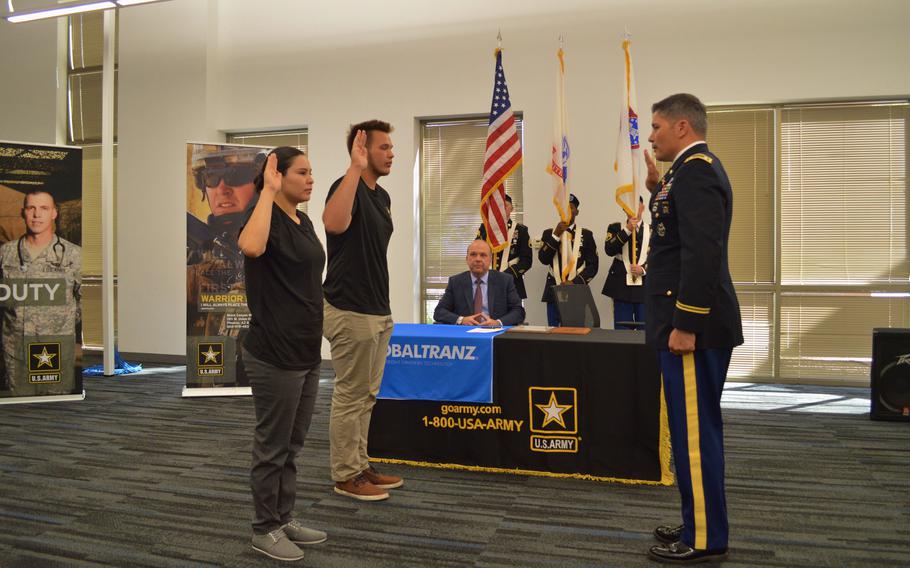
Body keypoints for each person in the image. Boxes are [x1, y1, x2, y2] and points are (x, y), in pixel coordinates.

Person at [643, 93, 743, 565]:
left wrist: (685, 324)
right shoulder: (685, 172)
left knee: (695, 435)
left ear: (682, 127)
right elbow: (674, 230)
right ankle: (696, 519)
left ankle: (705, 537)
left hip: (691, 329)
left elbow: (701, 254)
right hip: (684, 325)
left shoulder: (698, 170)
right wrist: (654, 188)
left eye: (657, 127)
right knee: (688, 432)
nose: (651, 136)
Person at [238, 147, 328, 561]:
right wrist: (267, 194)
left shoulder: (303, 220)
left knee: (292, 444)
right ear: (279, 176)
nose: (311, 179)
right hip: (274, 351)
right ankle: (264, 528)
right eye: (303, 172)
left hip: (306, 351)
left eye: (312, 172)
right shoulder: (265, 218)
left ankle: (282, 515)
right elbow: (251, 248)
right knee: (272, 445)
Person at [322, 120, 402, 501]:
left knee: (368, 394)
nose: (391, 153)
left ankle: (360, 464)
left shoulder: (381, 197)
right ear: (362, 149)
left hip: (377, 308)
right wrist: (353, 169)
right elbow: (333, 224)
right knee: (350, 394)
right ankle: (344, 475)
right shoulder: (345, 186)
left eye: (390, 147)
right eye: (384, 147)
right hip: (348, 307)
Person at [187, 146, 266, 387]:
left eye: (236, 177)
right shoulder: (192, 250)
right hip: (209, 377)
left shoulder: (275, 238)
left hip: (264, 370)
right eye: (211, 178)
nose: (222, 188)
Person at [0, 190, 81, 396]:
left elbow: (84, 302)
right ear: (23, 213)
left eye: (44, 208)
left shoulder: (73, 256)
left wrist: (63, 321)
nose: (37, 215)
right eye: (31, 208)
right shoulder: (5, 254)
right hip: (14, 350)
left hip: (55, 347)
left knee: (55, 411)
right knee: (20, 409)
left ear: (54, 213)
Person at [537, 193, 598, 326]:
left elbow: (593, 266)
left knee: (575, 333)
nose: (567, 211)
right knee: (554, 333)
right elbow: (543, 258)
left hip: (577, 292)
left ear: (577, 211)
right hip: (553, 290)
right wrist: (556, 235)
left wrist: (575, 282)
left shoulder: (586, 235)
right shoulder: (549, 233)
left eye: (571, 208)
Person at [433, 239, 525, 326]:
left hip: (495, 334)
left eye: (483, 255)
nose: (478, 259)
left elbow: (518, 311)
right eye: (473, 254)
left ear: (490, 260)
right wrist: (461, 320)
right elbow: (439, 311)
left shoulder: (505, 281)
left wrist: (498, 323)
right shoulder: (456, 282)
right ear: (467, 259)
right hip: (465, 335)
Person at [602, 197, 648, 330]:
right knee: (622, 332)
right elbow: (609, 250)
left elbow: (659, 257)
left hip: (644, 287)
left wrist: (644, 270)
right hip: (621, 287)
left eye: (636, 204)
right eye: (629, 205)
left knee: (645, 332)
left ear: (642, 207)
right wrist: (627, 230)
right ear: (624, 208)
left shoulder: (653, 230)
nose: (633, 208)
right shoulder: (615, 228)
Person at [475, 194, 532, 299]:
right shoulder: (485, 228)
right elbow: (476, 254)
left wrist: (506, 275)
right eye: (499, 206)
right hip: (487, 284)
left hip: (512, 284)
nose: (502, 209)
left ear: (512, 208)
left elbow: (527, 261)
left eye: (506, 205)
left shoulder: (521, 230)